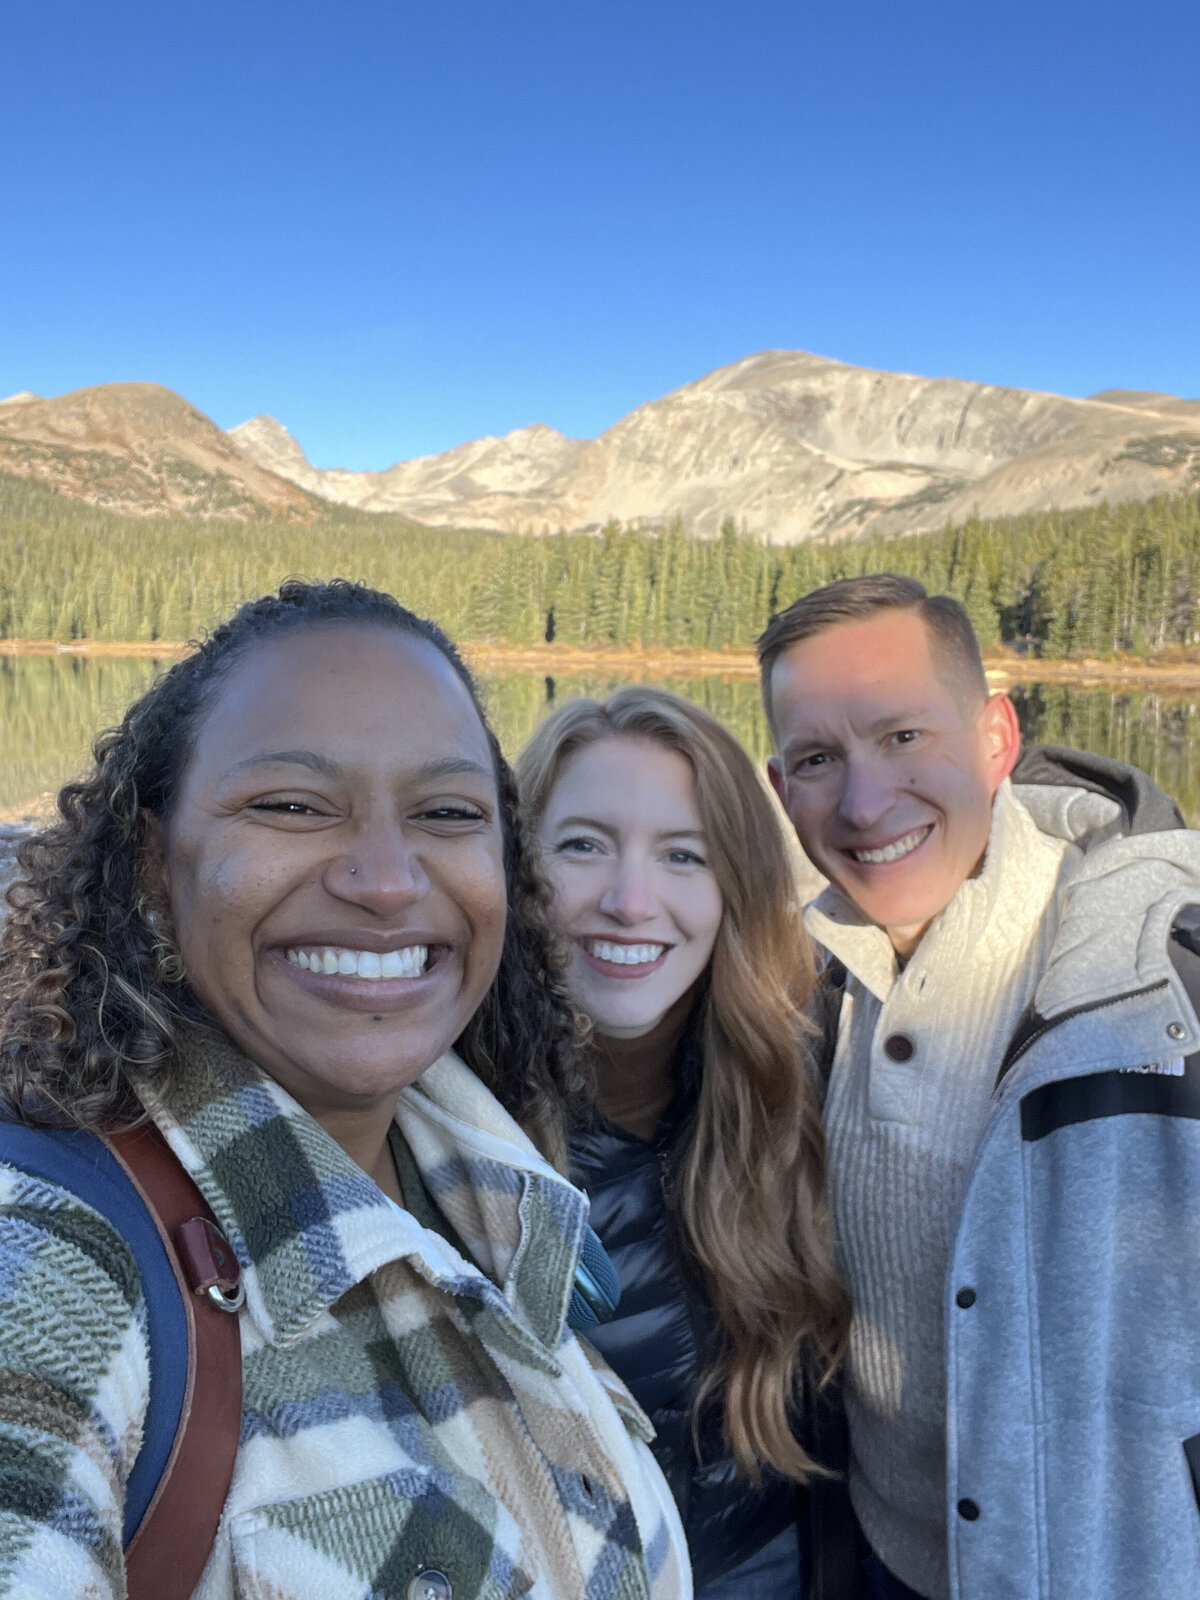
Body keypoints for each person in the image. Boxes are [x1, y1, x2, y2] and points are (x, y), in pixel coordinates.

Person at [0, 580, 691, 1600]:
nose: (385, 879)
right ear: (153, 862)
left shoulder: (501, 1187)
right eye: (291, 804)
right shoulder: (63, 1265)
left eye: (447, 812)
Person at [757, 573, 1200, 1600]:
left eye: (905, 736)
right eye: (821, 759)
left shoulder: (1165, 983)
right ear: (781, 789)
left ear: (997, 737)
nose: (866, 804)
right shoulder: (791, 983)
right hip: (874, 1558)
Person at [517, 687, 851, 1600]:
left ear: (734, 887)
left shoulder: (793, 1091)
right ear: (517, 872)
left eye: (683, 856)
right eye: (583, 845)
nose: (631, 901)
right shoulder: (452, 1151)